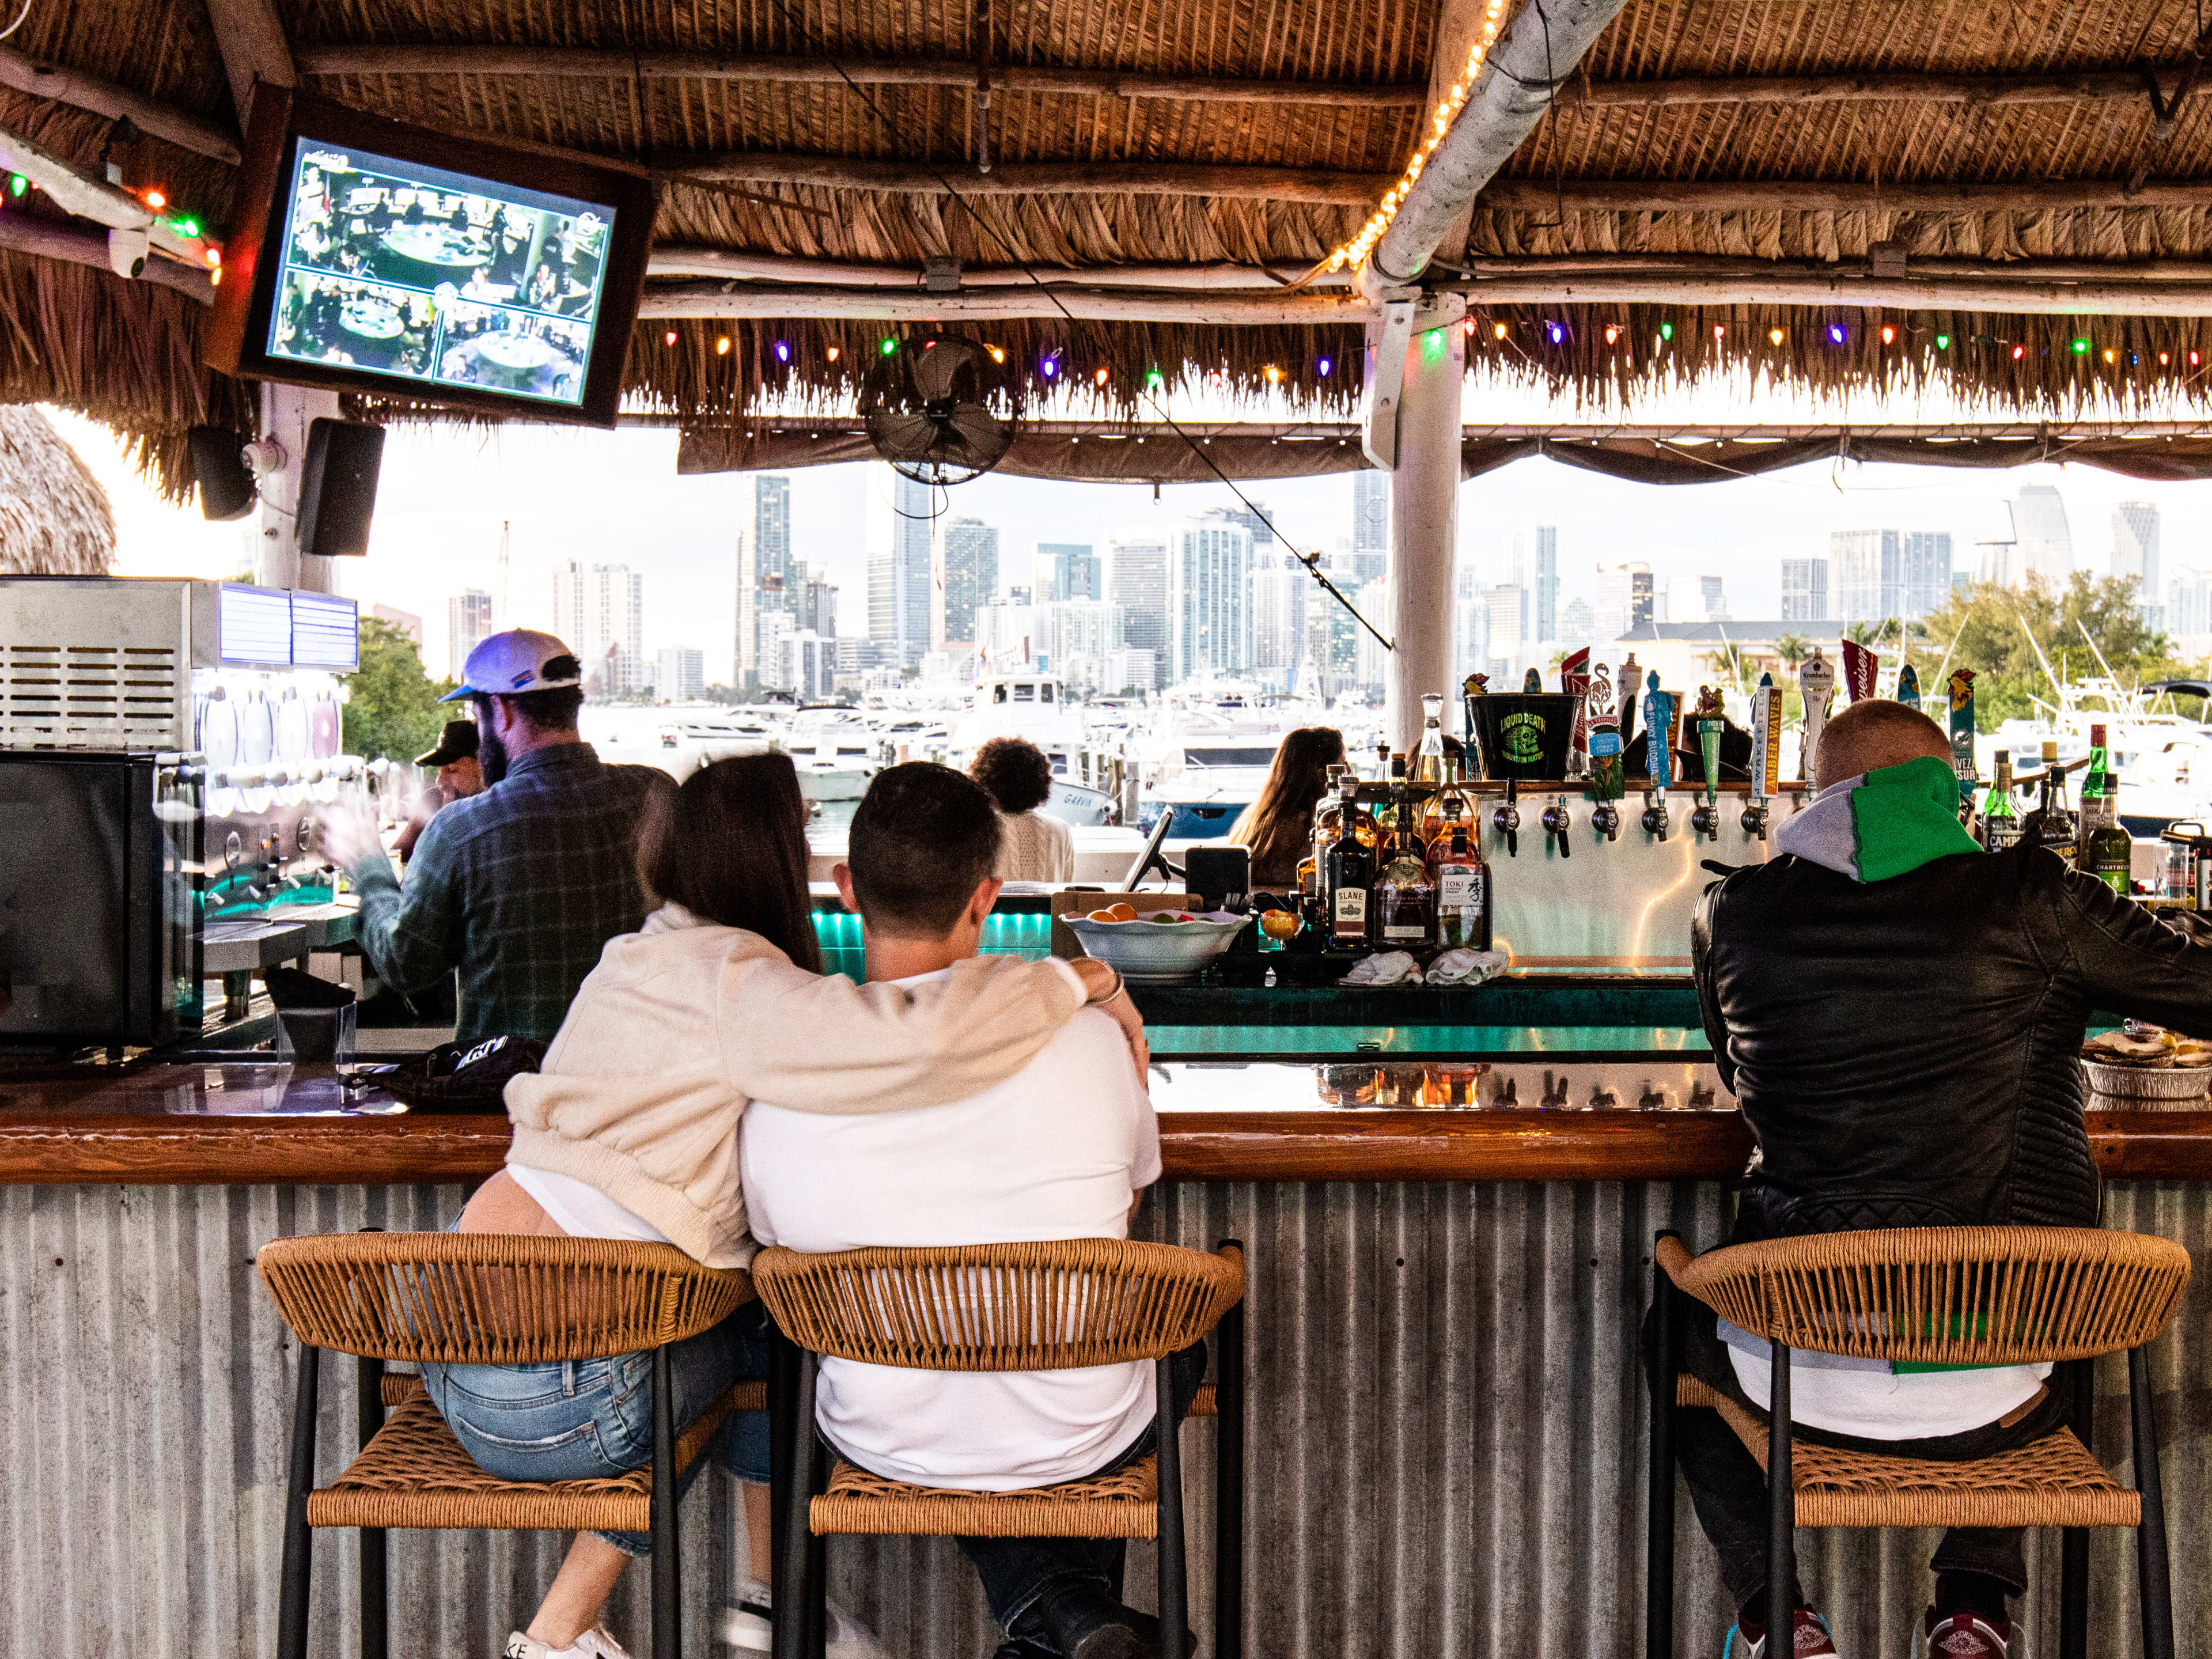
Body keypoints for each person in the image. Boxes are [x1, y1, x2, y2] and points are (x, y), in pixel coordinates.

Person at [422, 753, 1147, 1659]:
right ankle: (679, 1617)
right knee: (776, 1339)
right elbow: (913, 1038)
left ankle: (733, 1613)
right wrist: (1081, 981)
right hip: (567, 1399)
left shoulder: (634, 960)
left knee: (766, 1316)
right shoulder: (739, 982)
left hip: (451, 1360)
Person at [1673, 698, 2212, 1659]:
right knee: (2048, 1272)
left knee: (1673, 1318)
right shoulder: (2036, 896)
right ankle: (1974, 1608)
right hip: (2003, 1385)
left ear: (1814, 798)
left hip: (1794, 1374)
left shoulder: (1734, 913)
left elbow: (1737, 1072)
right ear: (1948, 792)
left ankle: (1775, 1615)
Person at [743, 763, 1194, 1659]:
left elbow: (765, 1242)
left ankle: (1055, 1620)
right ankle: (1062, 1609)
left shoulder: (784, 1068)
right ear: (987, 895)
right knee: (1178, 1343)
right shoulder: (1092, 1039)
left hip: (880, 1433)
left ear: (845, 887)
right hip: (1082, 1427)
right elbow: (1130, 1197)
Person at [320, 629, 675, 1045]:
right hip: (639, 1080)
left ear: (501, 711)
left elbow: (406, 966)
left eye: (477, 717)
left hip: (506, 1094)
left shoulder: (461, 830)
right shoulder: (657, 794)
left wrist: (367, 864)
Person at [1228, 726, 1346, 891]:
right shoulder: (1306, 830)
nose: (1348, 772)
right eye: (1343, 765)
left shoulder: (1258, 820)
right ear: (1323, 776)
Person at [967, 737, 1076, 882]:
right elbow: (1067, 888)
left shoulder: (977, 831)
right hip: (1049, 906)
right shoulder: (1060, 830)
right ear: (1040, 781)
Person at [393, 718, 486, 862]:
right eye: (439, 771)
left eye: (452, 770)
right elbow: (396, 858)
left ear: (483, 767)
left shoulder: (495, 817)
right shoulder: (433, 800)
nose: (440, 781)